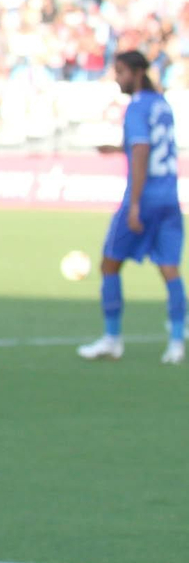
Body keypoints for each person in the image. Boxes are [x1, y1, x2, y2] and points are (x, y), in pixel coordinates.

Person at [78, 50, 184, 365]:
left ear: (137, 73)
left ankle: (112, 339)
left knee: (110, 265)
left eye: (121, 72)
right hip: (169, 198)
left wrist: (135, 203)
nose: (117, 78)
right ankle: (177, 342)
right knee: (170, 270)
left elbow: (141, 151)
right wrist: (116, 149)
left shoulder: (136, 106)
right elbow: (151, 145)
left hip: (144, 197)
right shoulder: (162, 104)